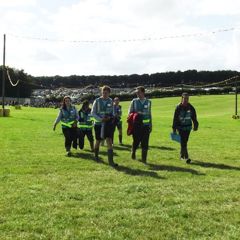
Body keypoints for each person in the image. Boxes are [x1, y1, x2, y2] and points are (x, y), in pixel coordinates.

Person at [91, 86, 118, 166]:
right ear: (101, 92)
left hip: (108, 124)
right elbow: (93, 113)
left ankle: (111, 162)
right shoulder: (97, 100)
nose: (105, 94)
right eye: (103, 92)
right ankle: (96, 156)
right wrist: (100, 119)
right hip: (98, 124)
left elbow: (113, 113)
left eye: (106, 93)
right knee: (98, 140)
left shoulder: (110, 101)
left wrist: (110, 117)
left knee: (109, 141)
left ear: (109, 93)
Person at [172, 93, 199, 164]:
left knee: (184, 142)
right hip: (180, 128)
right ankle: (186, 157)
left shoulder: (191, 107)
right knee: (183, 142)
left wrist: (195, 125)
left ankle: (181, 156)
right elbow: (175, 118)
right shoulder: (178, 107)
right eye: (185, 98)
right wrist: (174, 129)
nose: (186, 100)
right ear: (182, 98)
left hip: (188, 128)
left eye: (187, 98)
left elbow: (194, 117)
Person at [128, 86, 152, 163]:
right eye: (136, 92)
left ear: (143, 92)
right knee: (136, 141)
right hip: (136, 126)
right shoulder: (134, 101)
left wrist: (150, 124)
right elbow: (130, 113)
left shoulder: (149, 102)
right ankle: (133, 151)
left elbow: (149, 113)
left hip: (146, 125)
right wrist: (136, 114)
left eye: (138, 92)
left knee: (145, 142)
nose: (137, 94)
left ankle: (144, 159)